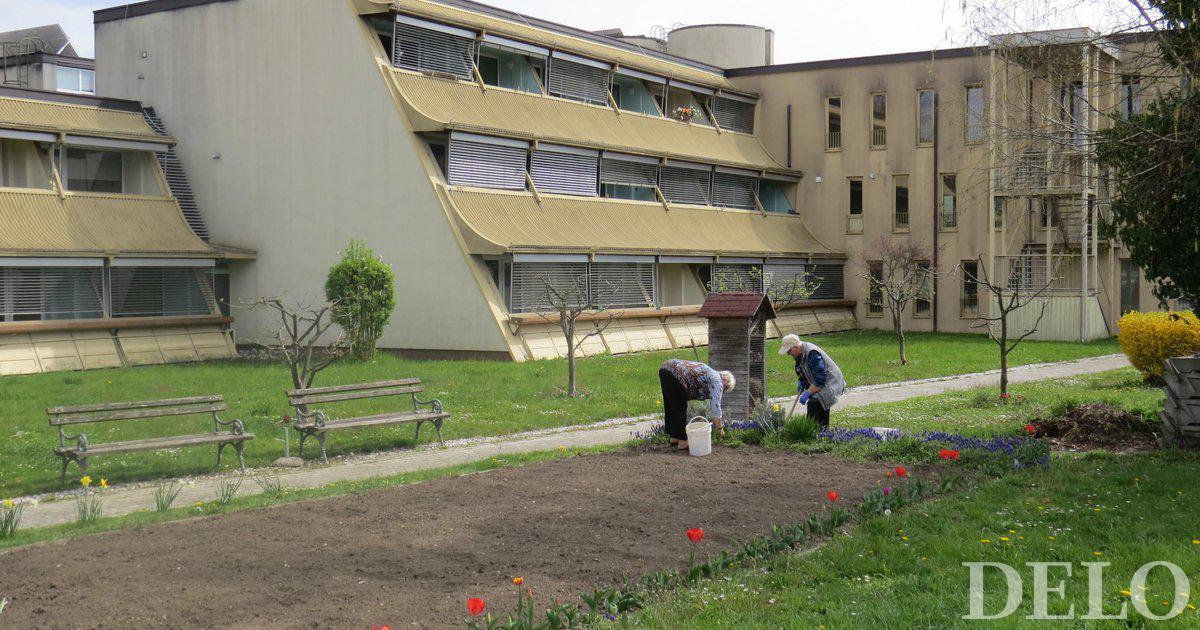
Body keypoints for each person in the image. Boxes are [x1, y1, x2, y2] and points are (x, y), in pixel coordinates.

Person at [658, 359, 735, 451]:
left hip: (666, 367)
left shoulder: (710, 372)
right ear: (726, 379)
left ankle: (675, 438)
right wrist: (720, 429)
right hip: (678, 374)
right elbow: (716, 406)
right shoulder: (717, 381)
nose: (723, 390)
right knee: (680, 407)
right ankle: (683, 442)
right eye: (726, 387)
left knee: (671, 405)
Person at [779, 334, 846, 429]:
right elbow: (802, 369)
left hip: (830, 383)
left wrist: (807, 393)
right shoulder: (799, 354)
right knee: (813, 404)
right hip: (820, 381)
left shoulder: (812, 354)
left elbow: (820, 380)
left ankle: (819, 433)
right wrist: (802, 381)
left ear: (796, 347)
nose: (788, 353)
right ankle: (818, 433)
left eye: (789, 350)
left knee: (816, 402)